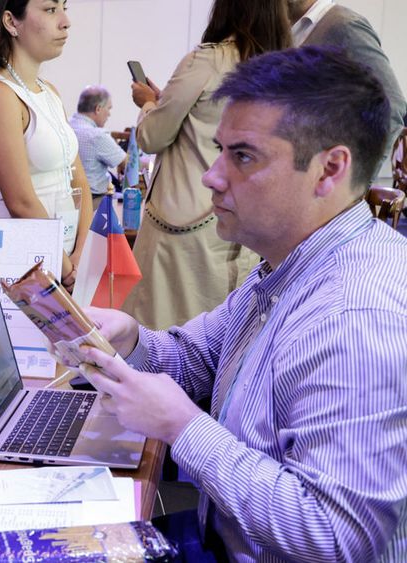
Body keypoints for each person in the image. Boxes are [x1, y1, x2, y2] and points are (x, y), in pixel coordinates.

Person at [72, 47, 407, 561]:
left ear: (329, 169)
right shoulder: (288, 265)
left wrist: (182, 427)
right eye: (220, 150)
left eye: (243, 156)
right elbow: (204, 357)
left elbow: (336, 538)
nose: (212, 176)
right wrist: (132, 339)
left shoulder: (353, 316)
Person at [119, 0, 290, 330]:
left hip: (185, 225)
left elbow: (152, 137)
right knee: (226, 334)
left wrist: (149, 103)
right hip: (248, 224)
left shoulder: (207, 60)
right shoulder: (283, 71)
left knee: (165, 335)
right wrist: (165, 100)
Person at [0, 0, 93, 290]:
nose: (65, 21)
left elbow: (78, 180)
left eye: (65, 7)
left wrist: (81, 253)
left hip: (62, 256)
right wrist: (68, 268)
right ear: (11, 22)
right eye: (51, 9)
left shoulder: (49, 92)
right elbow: (21, 202)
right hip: (23, 264)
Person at [289, 0, 406, 153]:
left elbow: (391, 107)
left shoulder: (344, 26)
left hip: (335, 169)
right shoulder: (287, 28)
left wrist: (362, 175)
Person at [68, 86, 127, 208]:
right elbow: (128, 164)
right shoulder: (97, 136)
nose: (109, 114)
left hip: (68, 201)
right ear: (98, 109)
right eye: (109, 109)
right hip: (93, 203)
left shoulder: (65, 125)